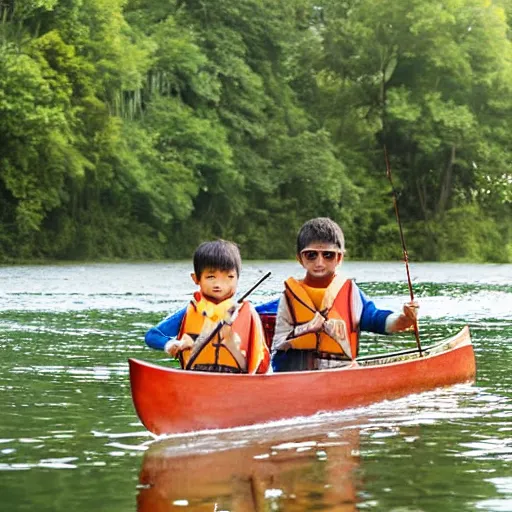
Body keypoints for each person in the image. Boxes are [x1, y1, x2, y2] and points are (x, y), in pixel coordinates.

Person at [271, 217, 418, 372]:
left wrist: (404, 319)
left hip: (342, 371)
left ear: (339, 258)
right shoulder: (288, 298)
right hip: (297, 377)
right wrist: (307, 328)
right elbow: (278, 347)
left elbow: (376, 319)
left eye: (328, 255)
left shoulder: (350, 291)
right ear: (300, 259)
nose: (319, 263)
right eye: (311, 255)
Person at [145, 240, 270, 374]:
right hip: (197, 376)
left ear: (237, 278)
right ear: (196, 279)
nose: (219, 284)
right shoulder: (191, 311)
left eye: (229, 277)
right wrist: (171, 344)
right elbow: (152, 336)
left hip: (238, 380)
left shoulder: (247, 313)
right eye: (211, 277)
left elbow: (263, 361)